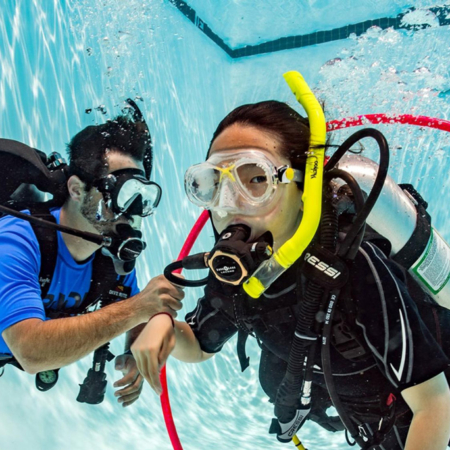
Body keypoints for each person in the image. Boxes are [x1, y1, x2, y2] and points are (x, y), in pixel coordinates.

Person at [131, 100, 450, 448]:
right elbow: (202, 345)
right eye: (211, 184)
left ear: (304, 188)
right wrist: (166, 326)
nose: (229, 204)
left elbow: (434, 402)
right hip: (362, 416)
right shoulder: (236, 273)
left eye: (256, 179)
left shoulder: (353, 267)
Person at [0, 111, 184, 407]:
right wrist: (138, 309)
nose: (132, 211)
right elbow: (31, 351)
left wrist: (133, 352)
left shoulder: (111, 257)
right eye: (122, 193)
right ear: (76, 189)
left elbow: (133, 305)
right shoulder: (18, 239)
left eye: (143, 197)